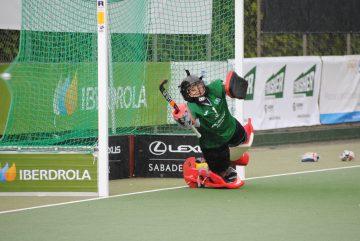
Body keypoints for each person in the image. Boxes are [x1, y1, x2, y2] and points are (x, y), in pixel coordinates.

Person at [172, 70, 254, 188]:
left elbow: (226, 87)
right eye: (193, 89)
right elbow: (191, 119)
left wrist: (232, 87)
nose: (199, 90)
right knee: (222, 173)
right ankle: (203, 170)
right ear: (187, 94)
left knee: (244, 139)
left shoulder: (214, 88)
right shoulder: (192, 107)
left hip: (232, 129)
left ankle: (232, 157)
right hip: (213, 144)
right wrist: (183, 118)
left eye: (199, 86)